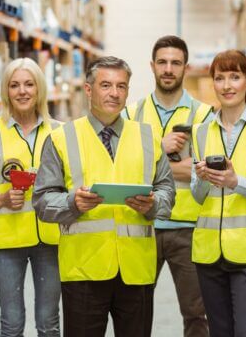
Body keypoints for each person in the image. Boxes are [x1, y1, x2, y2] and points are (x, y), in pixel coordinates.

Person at [32, 56, 176, 337]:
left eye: (121, 86)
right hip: (84, 268)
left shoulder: (147, 137)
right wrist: (72, 203)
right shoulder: (63, 138)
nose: (114, 93)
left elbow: (167, 192)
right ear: (88, 90)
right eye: (106, 85)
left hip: (136, 269)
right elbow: (42, 201)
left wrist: (153, 204)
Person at [123, 35, 211, 337]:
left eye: (175, 62)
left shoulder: (204, 116)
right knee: (135, 310)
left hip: (189, 227)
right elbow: (122, 169)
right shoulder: (131, 115)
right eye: (162, 62)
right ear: (152, 66)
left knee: (197, 314)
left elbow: (204, 174)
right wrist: (161, 150)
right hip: (141, 225)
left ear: (186, 67)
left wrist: (150, 165)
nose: (168, 69)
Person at [0, 58, 62, 337]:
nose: (22, 91)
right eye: (14, 85)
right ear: (6, 91)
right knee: (11, 323)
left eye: (29, 84)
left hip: (51, 240)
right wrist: (0, 200)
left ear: (39, 89)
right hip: (6, 242)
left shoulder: (59, 132)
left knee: (49, 323)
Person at [191, 50, 246, 337]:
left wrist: (235, 181)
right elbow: (197, 195)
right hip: (209, 254)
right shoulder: (201, 132)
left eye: (235, 76)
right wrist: (203, 178)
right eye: (220, 78)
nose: (227, 85)